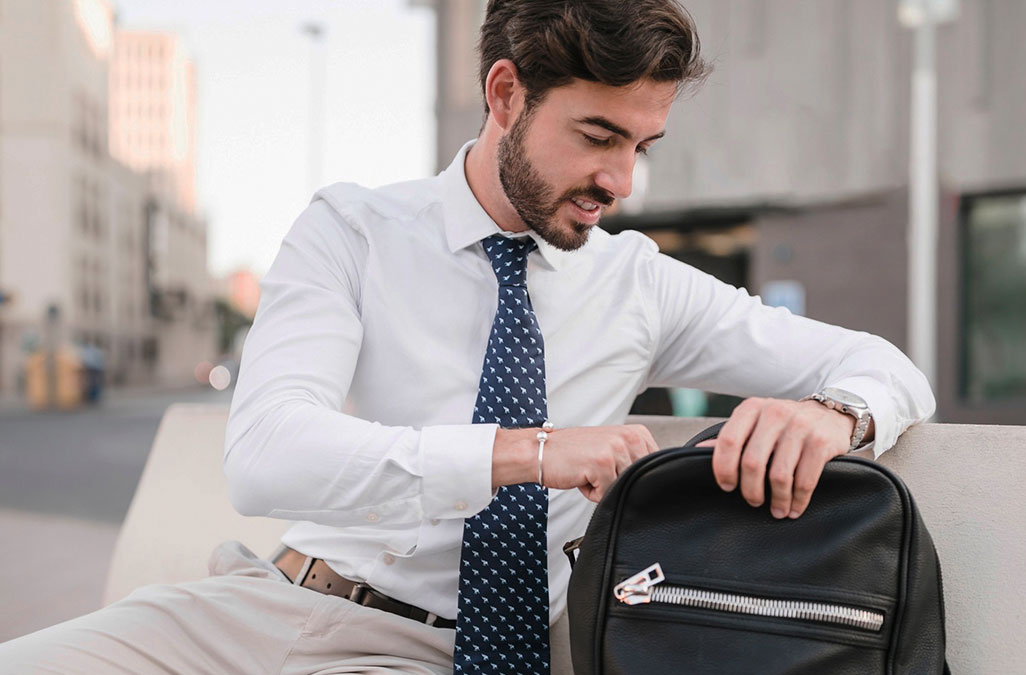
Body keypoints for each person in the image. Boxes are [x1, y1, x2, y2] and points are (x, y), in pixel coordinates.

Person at [0, 0, 934, 672]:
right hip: (269, 605)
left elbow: (887, 368)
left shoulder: (639, 282)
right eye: (597, 134)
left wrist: (836, 413)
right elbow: (265, 454)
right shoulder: (353, 229)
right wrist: (525, 453)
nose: (621, 182)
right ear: (503, 93)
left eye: (640, 148)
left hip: (463, 650)